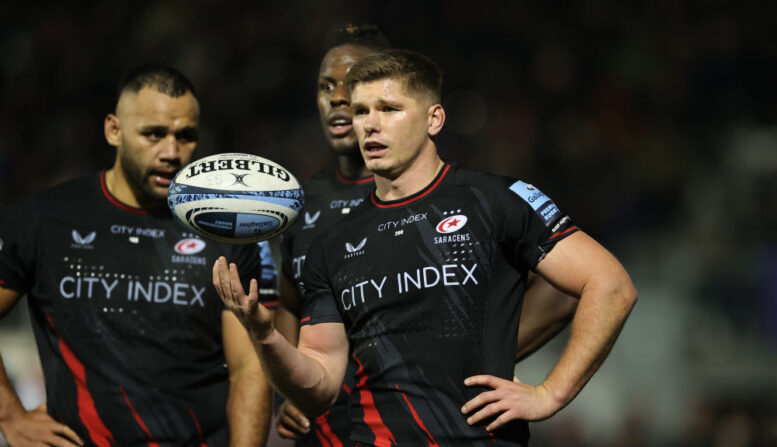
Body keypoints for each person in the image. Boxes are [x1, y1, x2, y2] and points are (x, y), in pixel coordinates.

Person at [216, 49, 636, 446]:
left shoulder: (496, 200)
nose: (369, 124)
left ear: (434, 119)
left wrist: (550, 394)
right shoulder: (333, 243)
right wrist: (265, 336)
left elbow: (610, 285)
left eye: (389, 109)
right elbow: (320, 385)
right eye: (361, 111)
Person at [0, 64, 273, 446]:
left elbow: (249, 369)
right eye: (154, 134)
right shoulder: (42, 220)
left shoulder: (227, 230)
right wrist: (9, 415)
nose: (171, 152)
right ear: (114, 130)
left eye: (186, 136)